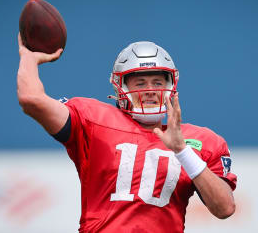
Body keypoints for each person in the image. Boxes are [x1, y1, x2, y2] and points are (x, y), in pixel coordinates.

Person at [17, 34, 237, 232]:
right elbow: (31, 100)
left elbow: (225, 208)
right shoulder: (93, 120)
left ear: (171, 86)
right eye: (140, 83)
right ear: (120, 88)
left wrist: (182, 151)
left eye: (158, 82)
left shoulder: (201, 142)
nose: (150, 90)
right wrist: (28, 57)